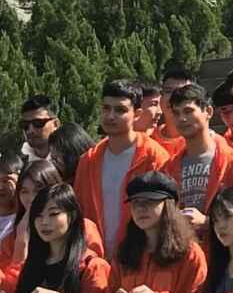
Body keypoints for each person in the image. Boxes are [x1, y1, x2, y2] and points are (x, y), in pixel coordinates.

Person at [76, 79, 177, 253]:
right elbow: (79, 211)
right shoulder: (88, 161)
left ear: (137, 114)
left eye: (120, 110)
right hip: (96, 258)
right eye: (106, 108)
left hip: (141, 256)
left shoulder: (155, 157)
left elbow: (169, 214)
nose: (110, 116)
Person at [165, 82, 233, 227]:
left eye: (188, 111)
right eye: (176, 113)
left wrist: (207, 222)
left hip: (221, 241)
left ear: (208, 111)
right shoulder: (168, 168)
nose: (182, 119)